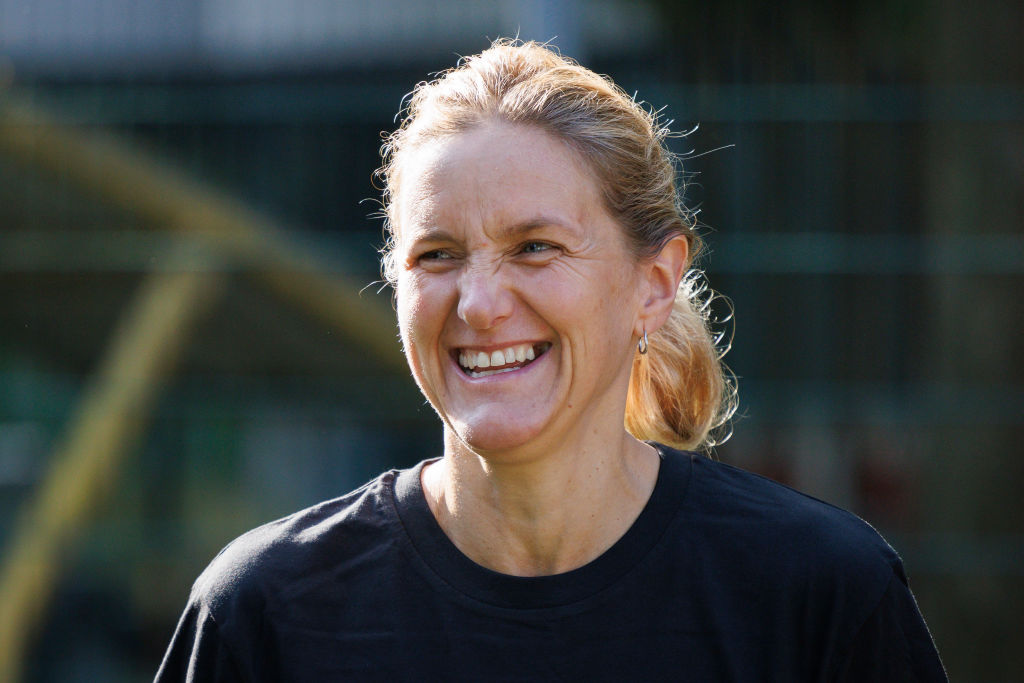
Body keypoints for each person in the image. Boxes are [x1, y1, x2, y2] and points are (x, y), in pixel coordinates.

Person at [155, 40, 946, 681]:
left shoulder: (819, 596)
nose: (478, 303)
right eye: (438, 255)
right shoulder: (265, 613)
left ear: (653, 285)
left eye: (534, 247)